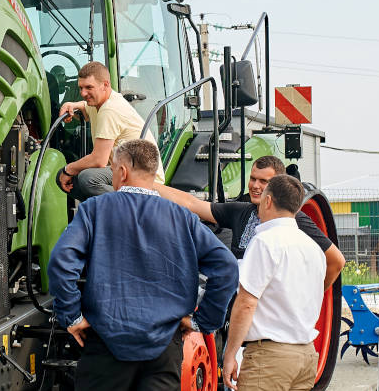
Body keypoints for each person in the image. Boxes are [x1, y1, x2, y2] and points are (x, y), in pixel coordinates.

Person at [48, 139, 238, 391]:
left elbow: (61, 262)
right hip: (164, 347)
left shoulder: (94, 210)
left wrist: (71, 315)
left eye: (113, 170)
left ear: (122, 172)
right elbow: (227, 268)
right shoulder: (182, 217)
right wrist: (201, 321)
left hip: (105, 344)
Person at [155, 155, 345, 289]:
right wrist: (145, 182)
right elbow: (191, 203)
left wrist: (314, 296)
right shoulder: (240, 212)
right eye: (253, 179)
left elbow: (336, 261)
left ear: (278, 184)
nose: (255, 186)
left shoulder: (296, 220)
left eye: (263, 181)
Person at [221, 175, 326, 391]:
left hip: (270, 360)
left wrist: (230, 354)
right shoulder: (313, 248)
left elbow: (247, 303)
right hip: (306, 356)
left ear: (268, 201)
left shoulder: (264, 242)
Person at [56, 61, 164, 200]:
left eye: (89, 87)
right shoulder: (99, 102)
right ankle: (102, 213)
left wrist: (68, 169)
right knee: (73, 179)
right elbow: (85, 107)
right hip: (123, 171)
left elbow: (99, 160)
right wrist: (71, 104)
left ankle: (135, 205)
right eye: (81, 88)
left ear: (105, 85)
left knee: (87, 179)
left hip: (144, 177)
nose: (83, 93)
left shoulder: (110, 109)